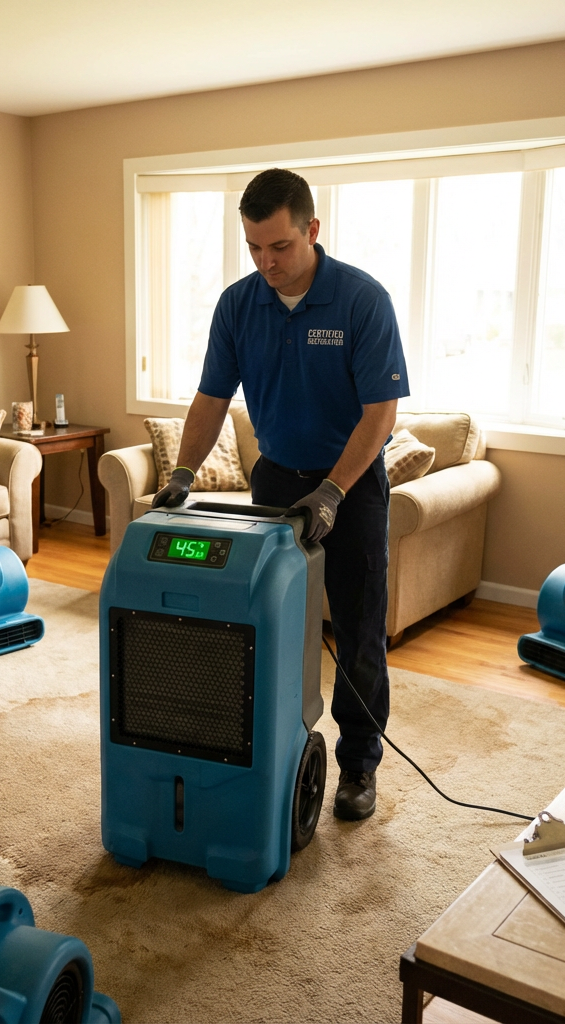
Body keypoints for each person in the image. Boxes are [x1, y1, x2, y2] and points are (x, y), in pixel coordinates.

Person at [152, 168, 409, 822]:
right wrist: (182, 473)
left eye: (280, 247)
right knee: (259, 621)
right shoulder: (239, 305)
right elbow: (213, 399)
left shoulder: (361, 300)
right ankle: (266, 745)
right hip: (275, 481)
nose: (267, 262)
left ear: (311, 231)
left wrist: (332, 492)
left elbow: (380, 415)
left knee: (355, 632)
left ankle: (358, 767)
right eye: (254, 248)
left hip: (349, 487)